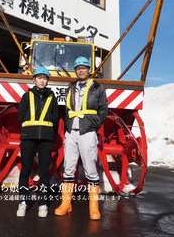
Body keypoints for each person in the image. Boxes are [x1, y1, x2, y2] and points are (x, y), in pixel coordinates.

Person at [55, 56, 108, 220]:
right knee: (68, 169)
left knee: (91, 170)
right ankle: (66, 204)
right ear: (76, 70)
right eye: (78, 68)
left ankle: (94, 207)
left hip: (87, 132)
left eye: (84, 67)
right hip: (71, 133)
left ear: (89, 70)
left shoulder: (98, 88)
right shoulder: (70, 87)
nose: (81, 70)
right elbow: (67, 109)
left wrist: (93, 125)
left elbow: (103, 111)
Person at [16, 66, 58, 218]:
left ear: (47, 81)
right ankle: (22, 202)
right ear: (34, 79)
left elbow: (54, 117)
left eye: (45, 78)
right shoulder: (26, 96)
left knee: (44, 172)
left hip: (46, 139)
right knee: (25, 170)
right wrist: (29, 130)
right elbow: (21, 115)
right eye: (39, 77)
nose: (42, 80)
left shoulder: (52, 98)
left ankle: (42, 204)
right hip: (28, 137)